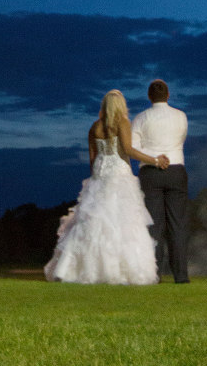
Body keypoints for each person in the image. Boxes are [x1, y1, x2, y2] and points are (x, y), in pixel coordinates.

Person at [44, 89, 169, 284]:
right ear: (120, 105)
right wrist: (154, 160)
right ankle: (121, 271)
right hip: (119, 174)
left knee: (92, 222)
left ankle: (75, 269)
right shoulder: (123, 123)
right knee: (123, 222)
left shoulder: (95, 127)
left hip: (100, 176)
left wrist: (97, 176)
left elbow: (93, 158)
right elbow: (128, 150)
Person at [132, 79, 189, 283]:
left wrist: (156, 159)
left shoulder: (140, 118)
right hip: (176, 169)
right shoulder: (181, 116)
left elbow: (134, 149)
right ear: (168, 95)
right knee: (178, 224)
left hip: (151, 172)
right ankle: (181, 275)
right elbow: (181, 139)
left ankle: (154, 274)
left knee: (154, 225)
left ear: (149, 96)